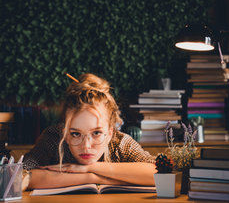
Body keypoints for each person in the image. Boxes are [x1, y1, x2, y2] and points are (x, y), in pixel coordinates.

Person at [22, 73, 156, 190]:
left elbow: (158, 173)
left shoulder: (120, 142)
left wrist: (91, 168)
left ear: (110, 133)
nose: (86, 146)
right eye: (75, 134)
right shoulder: (54, 138)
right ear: (65, 134)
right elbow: (22, 175)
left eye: (96, 133)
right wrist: (91, 178)